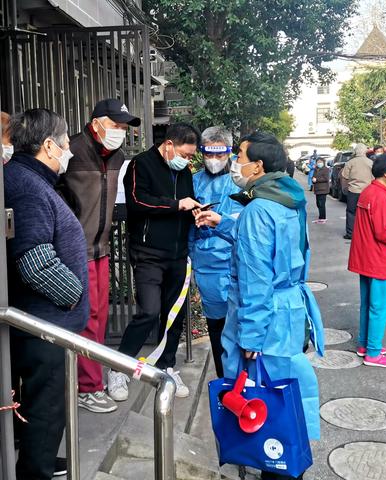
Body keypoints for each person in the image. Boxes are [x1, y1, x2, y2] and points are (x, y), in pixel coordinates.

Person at [195, 132, 324, 480]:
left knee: (261, 396)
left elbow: (255, 280)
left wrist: (250, 336)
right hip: (287, 309)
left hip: (263, 315)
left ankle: (273, 464)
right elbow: (275, 250)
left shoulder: (257, 209)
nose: (237, 163)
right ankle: (286, 460)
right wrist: (225, 223)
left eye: (240, 156)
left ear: (258, 166)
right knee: (284, 388)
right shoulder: (288, 200)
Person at [5, 109, 89, 480]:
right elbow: (34, 260)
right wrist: (73, 294)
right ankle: (35, 470)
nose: (69, 151)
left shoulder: (28, 179)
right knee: (46, 405)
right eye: (67, 144)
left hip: (44, 319)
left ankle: (38, 459)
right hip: (44, 323)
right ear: (49, 145)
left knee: (38, 404)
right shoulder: (26, 185)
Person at [107, 123, 202, 400]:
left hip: (177, 253)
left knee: (173, 314)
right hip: (148, 253)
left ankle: (167, 365)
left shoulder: (184, 171)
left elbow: (187, 201)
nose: (188, 160)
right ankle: (119, 368)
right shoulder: (141, 164)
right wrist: (177, 205)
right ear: (170, 144)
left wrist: (195, 211)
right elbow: (137, 202)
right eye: (186, 153)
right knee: (148, 311)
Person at [60, 98, 140, 413]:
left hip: (102, 248)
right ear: (97, 123)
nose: (121, 131)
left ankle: (91, 379)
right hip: (75, 249)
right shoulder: (73, 150)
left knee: (101, 317)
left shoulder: (118, 156)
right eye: (117, 124)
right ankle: (87, 387)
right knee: (86, 317)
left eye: (124, 126)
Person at [190, 126, 242, 377]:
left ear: (229, 152)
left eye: (219, 155)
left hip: (236, 264)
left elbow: (248, 225)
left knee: (241, 328)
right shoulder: (194, 181)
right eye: (208, 154)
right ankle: (224, 382)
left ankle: (243, 383)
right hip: (206, 265)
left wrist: (222, 221)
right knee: (216, 328)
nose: (213, 160)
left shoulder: (241, 181)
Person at [348, 154, 386, 368]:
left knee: (368, 304)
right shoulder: (381, 197)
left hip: (366, 257)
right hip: (378, 258)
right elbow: (385, 233)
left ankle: (365, 345)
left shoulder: (369, 192)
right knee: (379, 307)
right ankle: (373, 353)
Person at [341, 143, 373, 240]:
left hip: (353, 190)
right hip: (367, 191)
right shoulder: (370, 162)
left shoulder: (350, 162)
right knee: (367, 212)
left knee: (351, 212)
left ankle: (350, 233)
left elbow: (345, 176)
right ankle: (367, 232)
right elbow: (374, 177)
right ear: (365, 151)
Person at [311, 158, 329, 224]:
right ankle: (320, 217)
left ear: (323, 162)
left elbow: (326, 178)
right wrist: (313, 180)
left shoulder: (326, 169)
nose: (319, 163)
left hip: (323, 189)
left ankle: (323, 218)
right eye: (318, 162)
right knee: (318, 203)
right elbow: (313, 177)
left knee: (322, 204)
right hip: (317, 189)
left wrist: (317, 180)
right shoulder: (316, 169)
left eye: (320, 162)